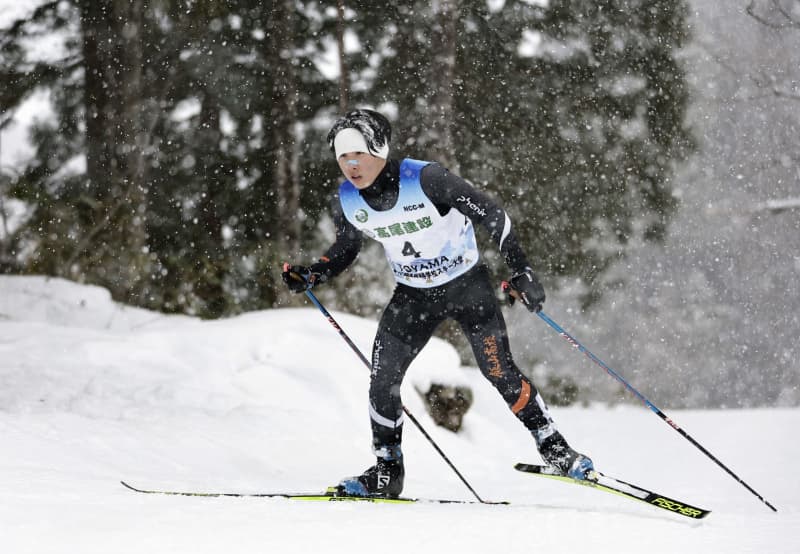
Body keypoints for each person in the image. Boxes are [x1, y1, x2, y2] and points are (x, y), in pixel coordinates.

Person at [282, 108, 593, 498]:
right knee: (382, 381)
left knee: (498, 371)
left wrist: (521, 269)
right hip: (413, 297)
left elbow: (492, 214)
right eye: (343, 157)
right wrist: (313, 273)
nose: (351, 165)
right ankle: (387, 470)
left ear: (379, 148)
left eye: (358, 153)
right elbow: (346, 248)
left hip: (468, 288)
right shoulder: (347, 199)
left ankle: (556, 449)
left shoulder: (426, 179)